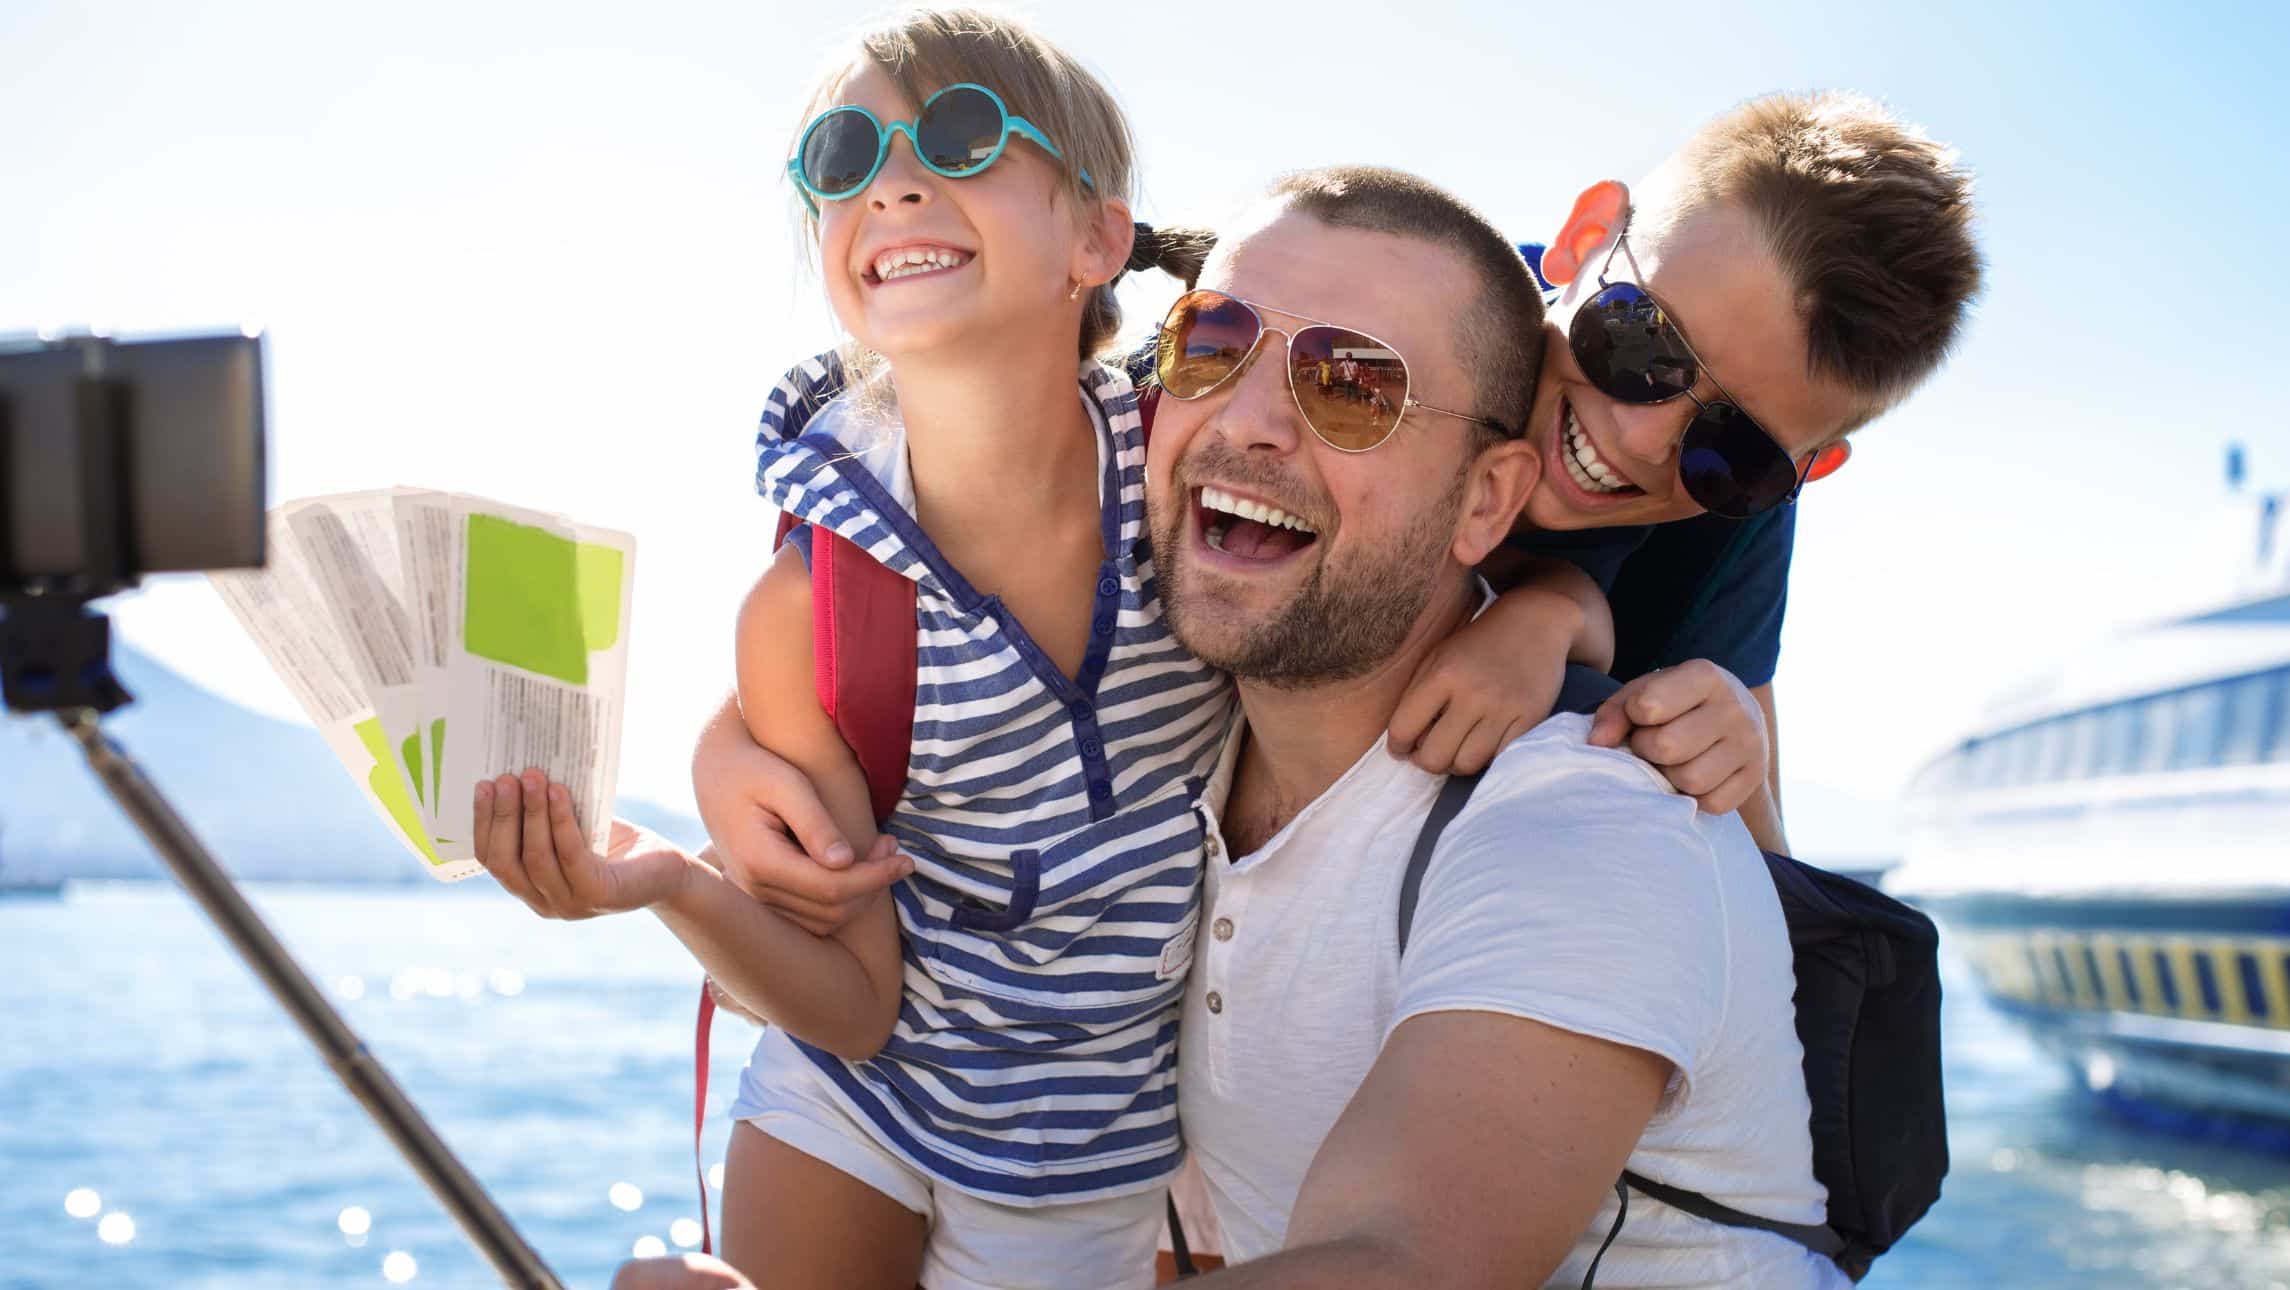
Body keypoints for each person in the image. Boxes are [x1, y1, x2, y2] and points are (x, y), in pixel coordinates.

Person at [472, 10, 1668, 1290]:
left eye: (961, 131)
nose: (893, 181)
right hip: (851, 1110)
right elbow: (856, 1007)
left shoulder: (1200, 465)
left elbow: (1424, 544)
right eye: (841, 154)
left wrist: (1549, 619)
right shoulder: (804, 608)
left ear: (1100, 236)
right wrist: (666, 881)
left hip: (1087, 1167)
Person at [618, 162, 1844, 1290]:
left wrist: (1667, 693)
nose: (1249, 419)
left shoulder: (1594, 823)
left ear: (1487, 495)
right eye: (1208, 347)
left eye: (1355, 385)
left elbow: (1401, 1262)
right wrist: (734, 742)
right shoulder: (1191, 743)